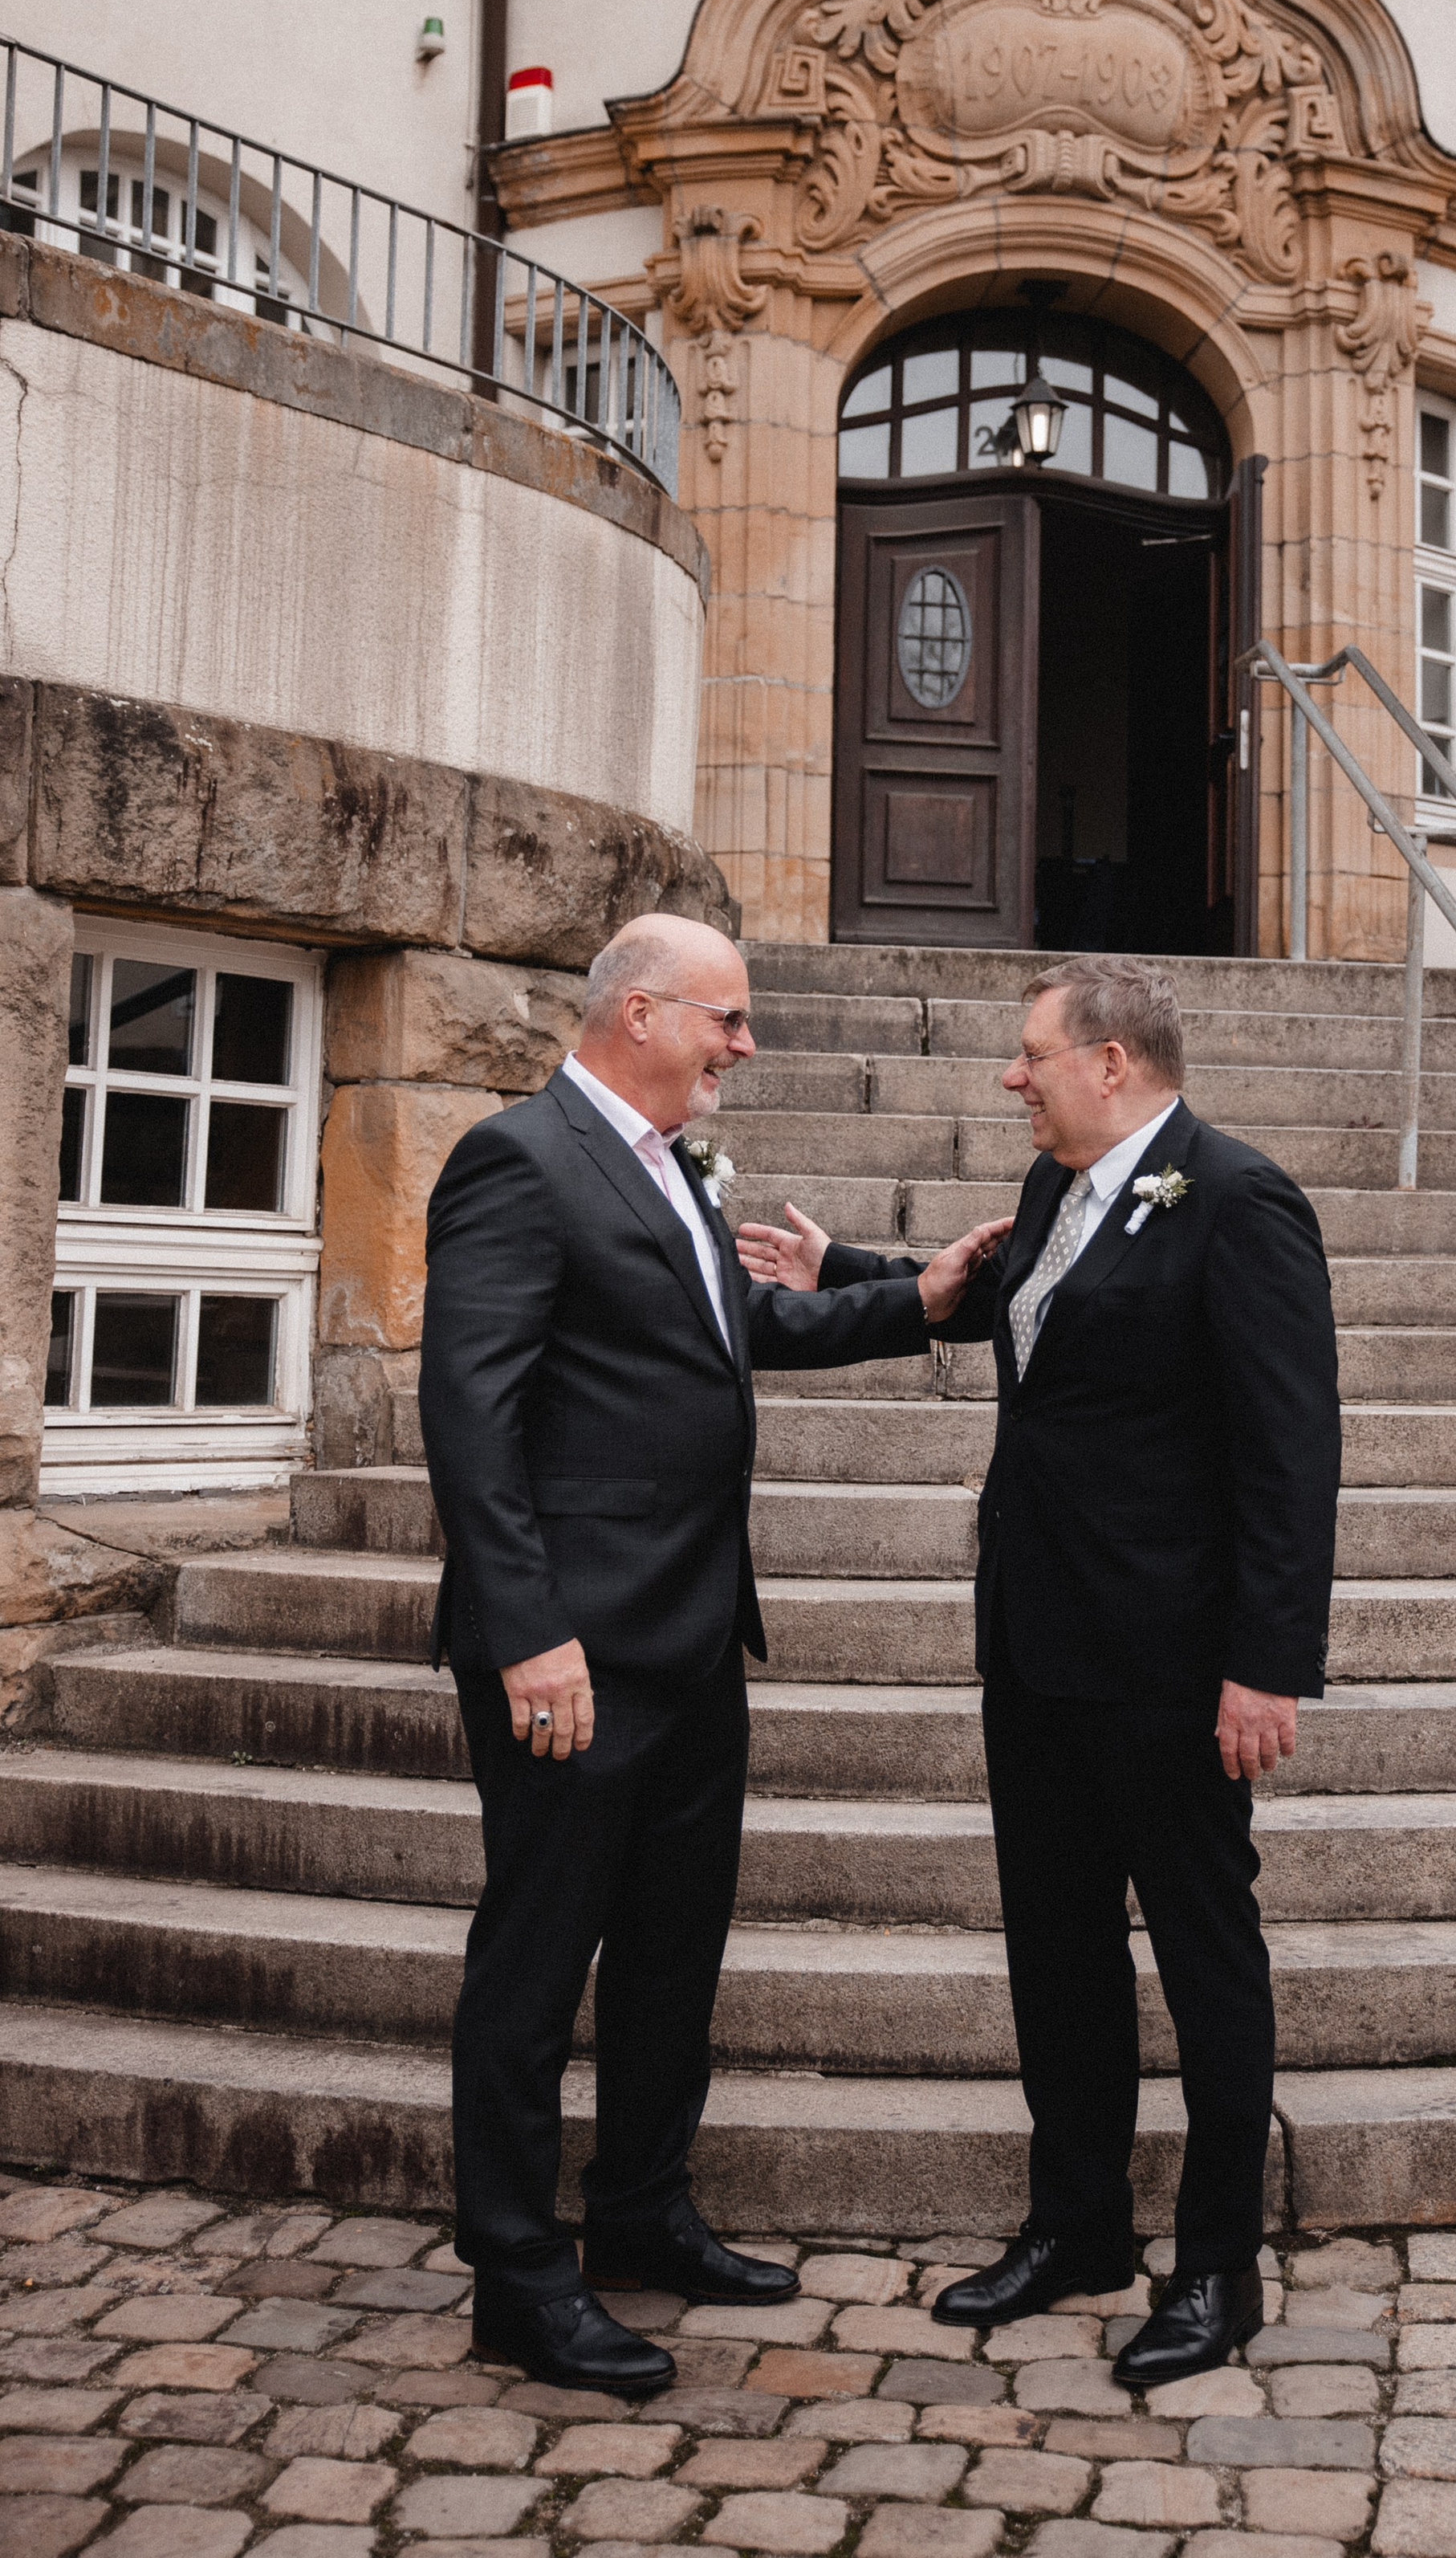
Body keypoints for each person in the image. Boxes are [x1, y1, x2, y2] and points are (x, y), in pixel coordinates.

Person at [419, 912, 1007, 2397]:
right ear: (637, 1014)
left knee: (676, 1949)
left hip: (692, 1638)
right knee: (536, 1962)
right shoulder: (519, 1158)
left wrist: (915, 1304)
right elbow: (470, 1418)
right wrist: (528, 1630)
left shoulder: (667, 1160)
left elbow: (730, 1326)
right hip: (574, 1652)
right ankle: (516, 2274)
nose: (745, 1044)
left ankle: (640, 2210)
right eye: (726, 1018)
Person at [736, 953, 1340, 2386]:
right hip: (1037, 1643)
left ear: (1113, 1062)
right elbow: (1010, 1315)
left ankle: (1216, 2269)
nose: (1013, 1075)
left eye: (1031, 1054)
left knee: (1206, 1962)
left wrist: (1267, 1665)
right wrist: (854, 1279)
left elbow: (1291, 1455)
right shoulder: (1062, 1193)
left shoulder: (1239, 1200)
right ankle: (1077, 2225)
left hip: (1174, 1666)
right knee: (1056, 1949)